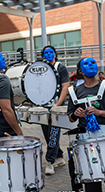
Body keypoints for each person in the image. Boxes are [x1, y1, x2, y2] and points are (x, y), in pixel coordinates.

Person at [67, 57, 105, 192]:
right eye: (86, 64)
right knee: (91, 184)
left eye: (93, 62)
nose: (91, 65)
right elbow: (70, 118)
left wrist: (99, 112)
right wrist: (76, 114)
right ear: (80, 71)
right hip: (85, 140)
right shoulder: (74, 91)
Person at [41, 45, 69, 175]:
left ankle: (50, 162)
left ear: (55, 54)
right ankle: (59, 156)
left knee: (53, 133)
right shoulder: (41, 68)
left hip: (56, 106)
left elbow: (65, 87)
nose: (49, 54)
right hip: (44, 105)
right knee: (48, 133)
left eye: (51, 52)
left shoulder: (60, 67)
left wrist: (58, 104)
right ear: (43, 56)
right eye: (46, 52)